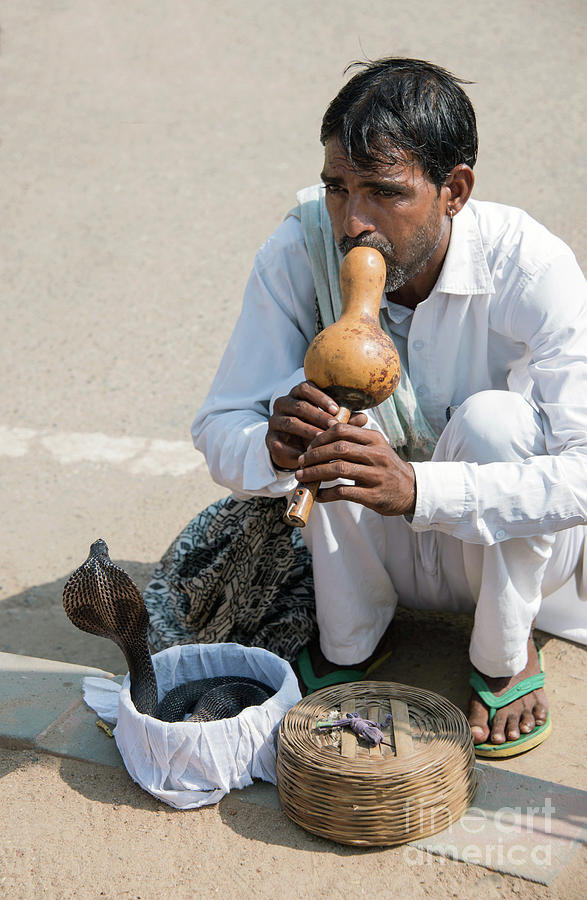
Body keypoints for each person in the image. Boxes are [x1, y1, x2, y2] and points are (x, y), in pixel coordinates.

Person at [192, 57, 587, 757]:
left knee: (497, 421)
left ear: (453, 190)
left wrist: (417, 487)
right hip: (378, 550)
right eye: (337, 189)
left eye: (384, 192)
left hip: (508, 550)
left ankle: (504, 650)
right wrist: (273, 446)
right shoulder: (297, 249)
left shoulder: (530, 264)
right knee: (327, 400)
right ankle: (351, 639)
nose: (353, 223)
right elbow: (220, 424)